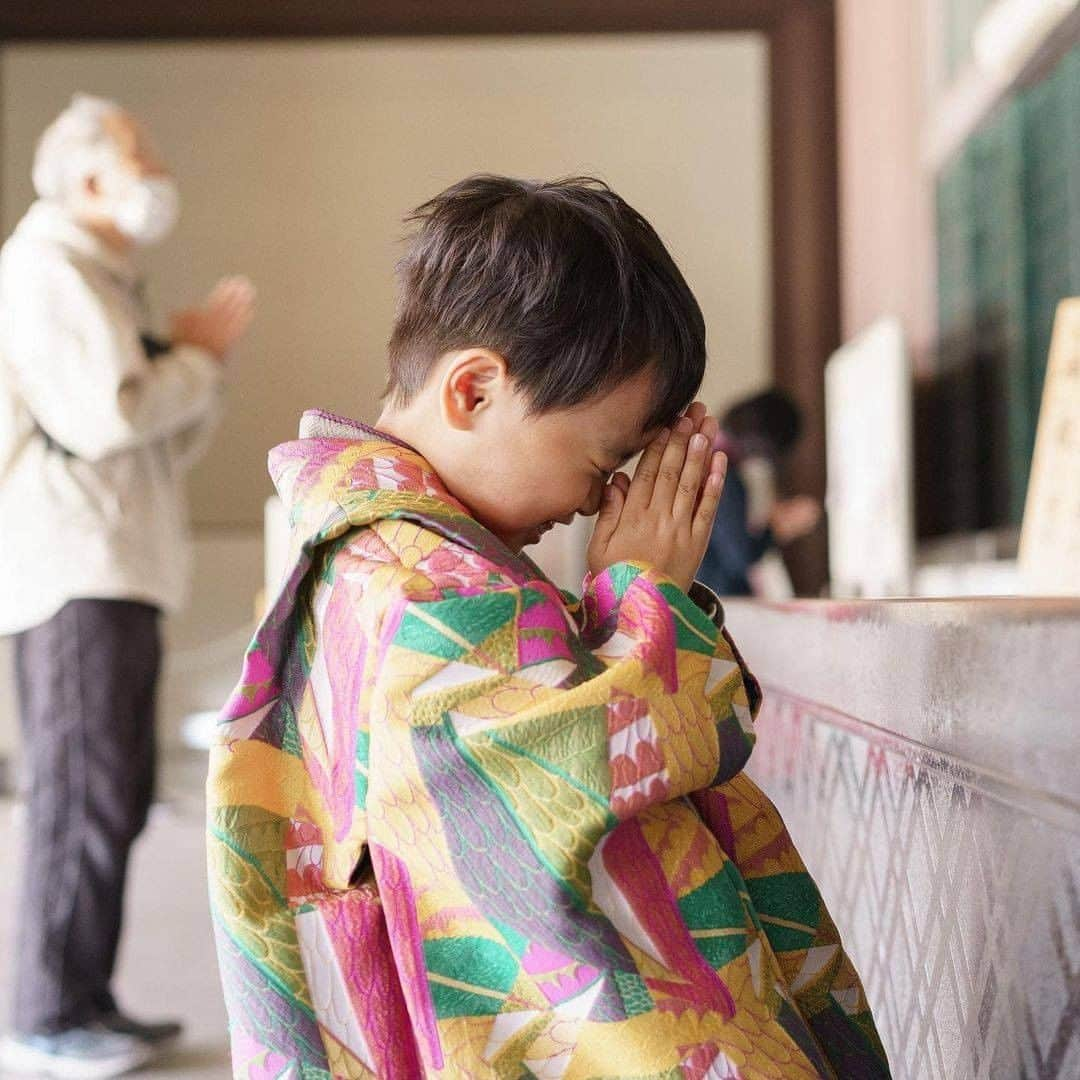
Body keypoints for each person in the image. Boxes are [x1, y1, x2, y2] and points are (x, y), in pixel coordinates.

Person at [208, 176, 889, 1078]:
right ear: (476, 390)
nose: (597, 499)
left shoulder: (367, 550)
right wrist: (644, 600)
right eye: (602, 458)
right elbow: (574, 794)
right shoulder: (427, 586)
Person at [0, 94, 255, 1077]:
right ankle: (47, 1017)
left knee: (116, 788)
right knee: (80, 790)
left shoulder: (103, 279)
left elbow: (155, 430)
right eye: (141, 156)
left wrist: (192, 363)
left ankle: (82, 997)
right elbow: (110, 415)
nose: (158, 174)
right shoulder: (48, 267)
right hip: (77, 569)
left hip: (117, 565)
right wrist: (192, 359)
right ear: (90, 178)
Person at [698, 390, 822, 596]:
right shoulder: (723, 473)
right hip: (719, 598)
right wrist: (779, 526)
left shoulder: (710, 456)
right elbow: (741, 556)